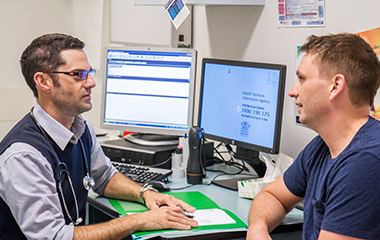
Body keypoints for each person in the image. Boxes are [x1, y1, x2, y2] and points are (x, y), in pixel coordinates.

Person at [0, 33, 197, 240]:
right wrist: (140, 220)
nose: (91, 82)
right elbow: (55, 237)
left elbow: (105, 177)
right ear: (43, 81)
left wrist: (146, 194)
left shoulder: (80, 127)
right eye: (78, 74)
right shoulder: (23, 156)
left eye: (89, 72)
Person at [247, 33, 380, 240]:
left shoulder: (364, 163)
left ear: (335, 86)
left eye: (302, 79)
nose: (292, 91)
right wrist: (257, 230)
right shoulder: (322, 146)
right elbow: (272, 196)